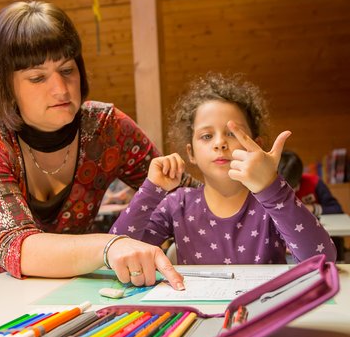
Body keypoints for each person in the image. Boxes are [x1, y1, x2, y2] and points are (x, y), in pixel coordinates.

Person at [0, 0, 188, 291]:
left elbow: (185, 195)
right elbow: (17, 247)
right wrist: (110, 246)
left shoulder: (107, 128)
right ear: (5, 85)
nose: (61, 89)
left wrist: (253, 180)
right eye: (37, 77)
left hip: (71, 278)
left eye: (67, 70)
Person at [111, 72, 336, 265]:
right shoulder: (177, 204)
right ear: (191, 153)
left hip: (262, 313)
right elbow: (116, 251)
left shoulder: (271, 201)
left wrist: (270, 186)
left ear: (255, 144)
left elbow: (322, 260)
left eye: (231, 133)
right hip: (197, 316)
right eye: (207, 136)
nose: (220, 143)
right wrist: (151, 190)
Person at [278, 150, 343, 217]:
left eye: (293, 187)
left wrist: (312, 208)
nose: (291, 192)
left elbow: (336, 208)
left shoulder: (315, 182)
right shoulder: (272, 188)